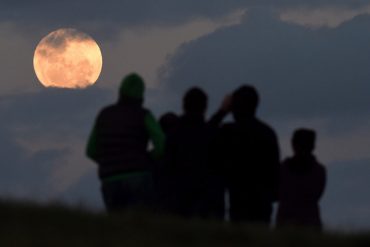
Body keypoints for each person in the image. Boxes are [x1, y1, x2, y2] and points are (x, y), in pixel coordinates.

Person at [86, 73, 165, 212]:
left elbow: (91, 151)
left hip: (110, 180)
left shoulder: (104, 114)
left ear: (120, 92)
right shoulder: (144, 115)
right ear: (141, 97)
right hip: (139, 176)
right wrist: (149, 159)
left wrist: (109, 161)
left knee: (117, 227)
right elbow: (162, 145)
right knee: (142, 224)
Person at [214, 85, 280, 224]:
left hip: (237, 200)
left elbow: (204, 138)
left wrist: (222, 111)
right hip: (262, 202)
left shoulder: (228, 132)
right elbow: (275, 171)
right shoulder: (267, 133)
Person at [164, 87, 229, 219]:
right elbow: (207, 130)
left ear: (184, 105)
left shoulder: (174, 134)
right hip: (206, 199)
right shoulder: (210, 134)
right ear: (205, 107)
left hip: (179, 197)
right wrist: (222, 111)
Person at [276, 129, 326, 230]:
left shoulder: (282, 169)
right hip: (310, 223)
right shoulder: (319, 171)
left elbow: (276, 193)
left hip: (286, 223)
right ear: (313, 146)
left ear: (293, 144)